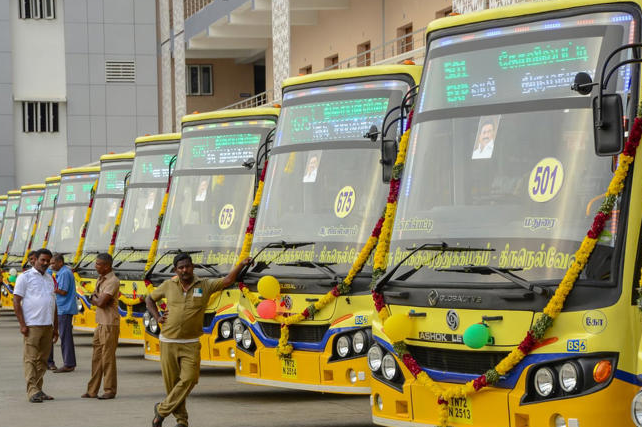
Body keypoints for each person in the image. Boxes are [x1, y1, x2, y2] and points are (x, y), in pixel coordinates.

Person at [146, 253, 251, 427]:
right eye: (180, 267)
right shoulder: (168, 285)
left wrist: (241, 265)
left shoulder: (204, 285)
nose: (184, 270)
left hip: (191, 343)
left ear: (192, 267)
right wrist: (157, 316)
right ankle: (182, 421)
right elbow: (149, 299)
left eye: (187, 266)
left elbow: (227, 281)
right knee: (172, 385)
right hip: (168, 342)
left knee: (190, 379)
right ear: (175, 270)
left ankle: (161, 410)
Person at [13, 248, 58, 403]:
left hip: (48, 325)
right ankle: (32, 391)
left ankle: (38, 389)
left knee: (43, 360)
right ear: (35, 259)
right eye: (42, 260)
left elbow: (53, 303)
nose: (45, 263)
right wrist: (22, 324)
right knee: (30, 359)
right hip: (32, 325)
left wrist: (55, 328)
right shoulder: (24, 278)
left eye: (48, 261)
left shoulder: (49, 278)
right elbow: (16, 301)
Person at [82, 253, 120, 400]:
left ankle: (110, 390)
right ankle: (92, 390)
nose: (95, 266)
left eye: (98, 264)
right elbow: (94, 298)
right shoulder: (100, 279)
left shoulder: (112, 281)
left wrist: (95, 298)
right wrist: (96, 298)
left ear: (107, 266)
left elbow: (100, 302)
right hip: (100, 322)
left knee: (108, 358)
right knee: (96, 358)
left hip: (110, 323)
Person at [47, 253, 77, 373]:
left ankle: (69, 364)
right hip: (61, 308)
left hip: (64, 308)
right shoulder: (61, 272)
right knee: (64, 336)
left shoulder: (64, 273)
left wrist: (51, 289)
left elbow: (63, 291)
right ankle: (68, 362)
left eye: (53, 263)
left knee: (65, 337)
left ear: (60, 262)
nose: (51, 265)